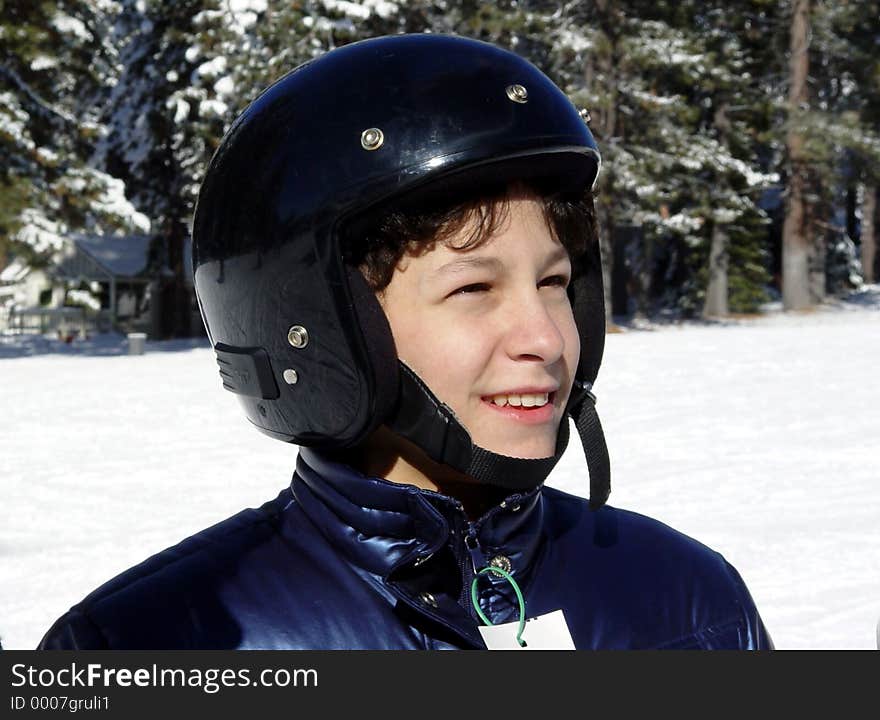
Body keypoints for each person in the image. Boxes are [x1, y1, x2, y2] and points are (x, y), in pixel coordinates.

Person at [39, 33, 772, 650]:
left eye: (554, 282)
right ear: (319, 328)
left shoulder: (692, 602)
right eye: (473, 289)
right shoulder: (158, 642)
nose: (546, 338)